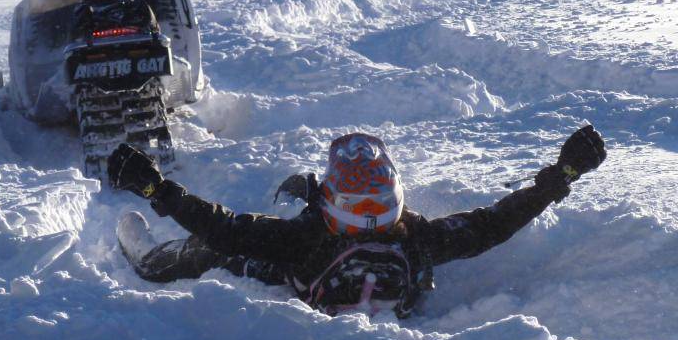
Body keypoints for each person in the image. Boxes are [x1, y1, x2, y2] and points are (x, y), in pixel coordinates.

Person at [107, 125, 606, 317]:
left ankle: (150, 259)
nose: (368, 216)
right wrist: (562, 175)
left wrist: (156, 189)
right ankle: (300, 187)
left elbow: (220, 227)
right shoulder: (416, 238)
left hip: (291, 269)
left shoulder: (303, 238)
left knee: (215, 250)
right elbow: (493, 223)